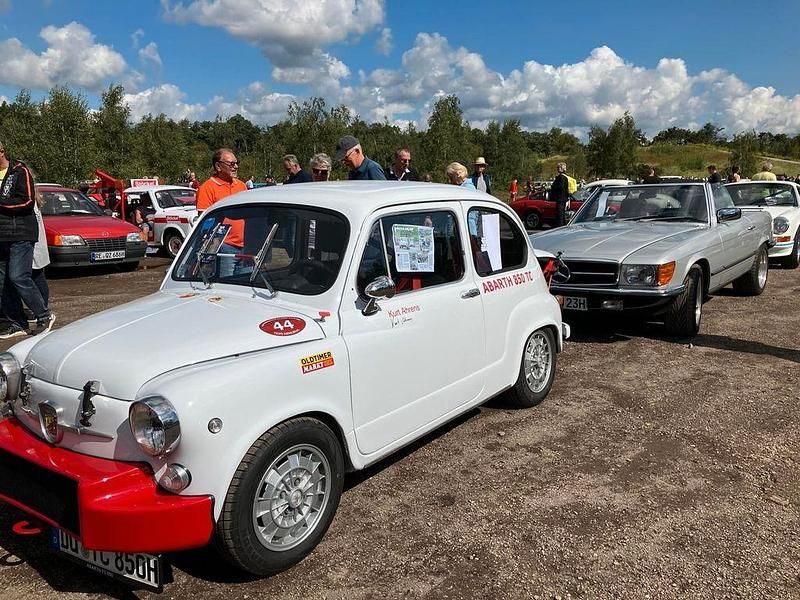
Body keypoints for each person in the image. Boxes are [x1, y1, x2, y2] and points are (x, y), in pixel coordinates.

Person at [0, 141, 53, 338]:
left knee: (20, 276)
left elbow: (27, 202)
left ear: (2, 151)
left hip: (20, 234)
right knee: (4, 282)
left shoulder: (18, 171)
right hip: (2, 237)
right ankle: (17, 322)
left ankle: (43, 315)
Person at [196, 148, 248, 276]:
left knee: (246, 286)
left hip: (247, 247)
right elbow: (205, 222)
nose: (235, 167)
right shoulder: (207, 188)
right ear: (218, 166)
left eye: (237, 163)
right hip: (225, 247)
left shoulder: (241, 186)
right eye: (231, 164)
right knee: (227, 287)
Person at [549, 162, 570, 227]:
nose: (557, 169)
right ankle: (562, 225)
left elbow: (560, 187)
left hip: (560, 198)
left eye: (558, 168)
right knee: (562, 214)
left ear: (562, 168)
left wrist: (553, 186)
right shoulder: (566, 177)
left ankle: (560, 226)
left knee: (560, 214)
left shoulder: (560, 177)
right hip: (564, 198)